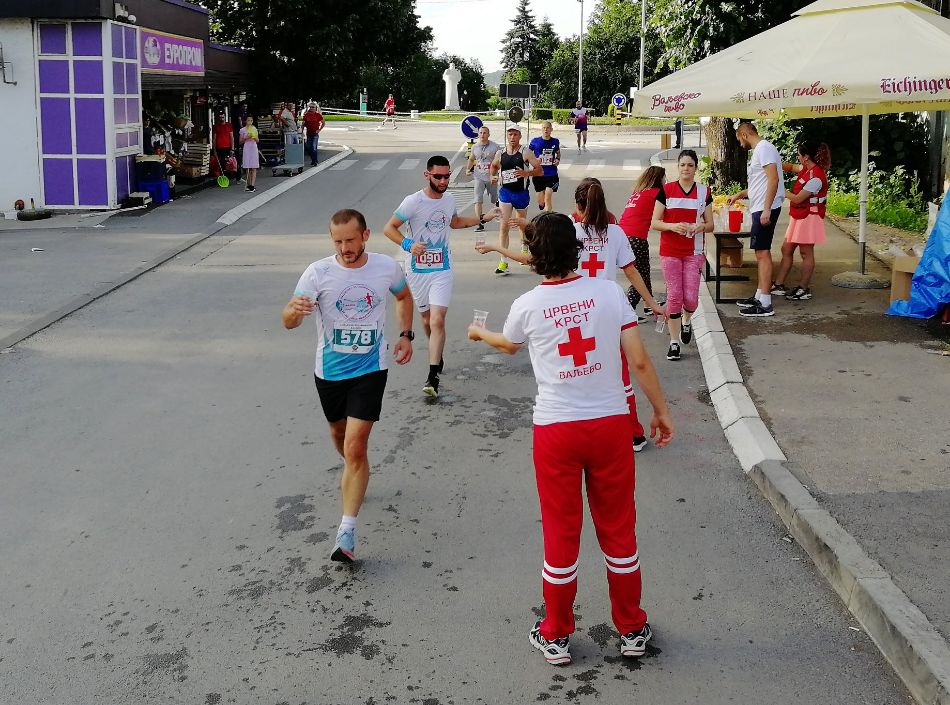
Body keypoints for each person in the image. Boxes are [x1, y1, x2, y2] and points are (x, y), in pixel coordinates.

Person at [467, 211, 674, 666]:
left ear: (535, 257)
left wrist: (480, 332)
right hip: (610, 427)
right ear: (576, 248)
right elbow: (638, 362)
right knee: (619, 529)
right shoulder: (608, 293)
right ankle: (633, 628)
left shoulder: (528, 304)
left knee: (561, 534)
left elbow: (507, 345)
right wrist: (659, 411)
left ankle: (557, 634)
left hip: (557, 430)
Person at [282, 209, 414, 563]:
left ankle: (347, 532)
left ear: (366, 235)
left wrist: (405, 336)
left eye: (350, 240)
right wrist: (293, 311)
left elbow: (403, 296)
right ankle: (355, 472)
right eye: (338, 242)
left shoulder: (385, 267)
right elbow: (288, 322)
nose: (344, 248)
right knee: (340, 437)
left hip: (371, 368)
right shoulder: (318, 272)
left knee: (356, 447)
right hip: (329, 372)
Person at [384, 155, 500, 397]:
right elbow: (389, 228)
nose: (444, 180)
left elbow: (455, 222)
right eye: (438, 176)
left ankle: (432, 375)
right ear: (427, 175)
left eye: (447, 176)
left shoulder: (448, 200)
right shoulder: (413, 202)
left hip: (442, 268)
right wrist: (408, 245)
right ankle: (436, 351)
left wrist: (483, 218)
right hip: (417, 270)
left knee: (437, 320)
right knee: (426, 321)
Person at [650, 149, 713, 361]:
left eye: (690, 165)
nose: (686, 169)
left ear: (696, 169)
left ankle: (687, 321)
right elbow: (654, 222)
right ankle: (674, 342)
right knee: (675, 296)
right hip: (670, 252)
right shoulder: (666, 191)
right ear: (677, 167)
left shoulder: (704, 192)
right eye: (682, 165)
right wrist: (672, 226)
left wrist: (700, 226)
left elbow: (710, 224)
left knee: (691, 300)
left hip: (693, 251)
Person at [728, 122, 785, 317]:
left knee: (762, 253)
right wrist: (740, 194)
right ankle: (760, 294)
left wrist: (767, 209)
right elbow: (760, 183)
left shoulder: (764, 148)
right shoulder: (762, 150)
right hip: (760, 206)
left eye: (739, 139)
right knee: (760, 252)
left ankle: (766, 302)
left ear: (744, 134)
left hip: (765, 208)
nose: (740, 143)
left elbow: (773, 179)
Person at [771, 140, 831, 302]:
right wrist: (773, 163)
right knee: (786, 249)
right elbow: (790, 167)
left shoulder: (816, 177)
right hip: (800, 216)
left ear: (806, 157)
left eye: (799, 154)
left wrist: (778, 188)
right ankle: (779, 284)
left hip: (809, 217)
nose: (797, 157)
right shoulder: (806, 169)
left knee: (806, 253)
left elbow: (798, 199)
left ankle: (804, 288)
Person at [490, 126, 542, 275]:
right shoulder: (500, 153)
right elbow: (493, 167)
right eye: (510, 134)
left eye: (515, 134)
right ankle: (503, 261)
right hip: (505, 193)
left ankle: (524, 248)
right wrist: (492, 177)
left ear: (520, 136)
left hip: (521, 193)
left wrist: (527, 173)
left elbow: (540, 170)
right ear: (507, 136)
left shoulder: (525, 152)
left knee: (521, 225)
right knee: (504, 226)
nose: (512, 137)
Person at [619, 166, 667, 316]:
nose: (666, 180)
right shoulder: (657, 193)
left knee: (644, 274)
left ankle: (648, 305)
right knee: (639, 281)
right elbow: (667, 215)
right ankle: (625, 315)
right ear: (658, 179)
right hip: (636, 239)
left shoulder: (638, 192)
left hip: (622, 236)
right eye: (664, 177)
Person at [466, 126, 501, 232]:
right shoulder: (475, 147)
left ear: (488, 134)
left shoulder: (495, 147)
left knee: (494, 199)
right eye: (480, 133)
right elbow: (471, 159)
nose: (482, 135)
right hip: (478, 176)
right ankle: (479, 223)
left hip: (491, 177)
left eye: (485, 133)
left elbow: (500, 161)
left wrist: (498, 173)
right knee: (478, 200)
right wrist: (468, 169)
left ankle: (499, 212)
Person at [528, 121, 561, 212]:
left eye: (548, 128)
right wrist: (532, 162)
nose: (546, 130)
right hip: (538, 174)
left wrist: (557, 160)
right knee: (541, 201)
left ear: (551, 129)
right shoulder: (535, 141)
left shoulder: (555, 141)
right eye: (544, 128)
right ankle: (542, 205)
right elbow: (528, 154)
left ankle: (547, 218)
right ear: (541, 129)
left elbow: (558, 153)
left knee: (548, 196)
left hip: (551, 174)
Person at [239, 116, 259, 193]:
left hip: (253, 147)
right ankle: (249, 184)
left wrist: (254, 137)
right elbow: (240, 141)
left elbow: (257, 140)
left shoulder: (254, 129)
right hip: (247, 147)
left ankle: (252, 185)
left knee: (254, 167)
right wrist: (246, 137)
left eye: (251, 120)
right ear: (245, 121)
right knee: (247, 166)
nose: (249, 122)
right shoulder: (242, 130)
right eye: (248, 120)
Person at [302, 101, 326, 166]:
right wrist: (301, 131)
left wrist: (319, 130)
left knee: (314, 147)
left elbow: (323, 123)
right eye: (310, 107)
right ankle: (313, 160)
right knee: (309, 148)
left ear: (316, 108)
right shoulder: (306, 115)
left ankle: (315, 161)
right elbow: (303, 124)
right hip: (308, 134)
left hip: (315, 134)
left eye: (313, 107)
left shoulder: (318, 115)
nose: (311, 108)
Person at [212, 113, 234, 181]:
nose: (221, 119)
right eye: (220, 117)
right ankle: (222, 177)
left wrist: (232, 148)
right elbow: (214, 139)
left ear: (225, 117)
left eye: (223, 117)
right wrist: (214, 149)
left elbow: (231, 137)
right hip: (219, 147)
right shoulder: (216, 126)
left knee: (228, 162)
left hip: (227, 146)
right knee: (221, 163)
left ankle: (229, 176)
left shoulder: (229, 125)